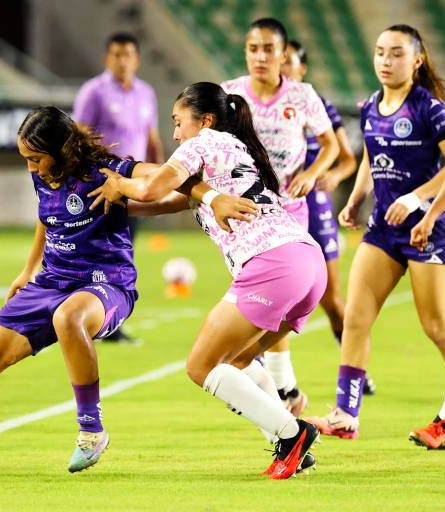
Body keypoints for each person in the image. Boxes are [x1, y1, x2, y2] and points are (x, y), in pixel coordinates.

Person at [0, 105, 255, 472]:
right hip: (50, 281)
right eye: (26, 158)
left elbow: (171, 177)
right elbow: (47, 216)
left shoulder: (107, 169)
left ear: (60, 150)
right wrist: (28, 269)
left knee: (69, 317)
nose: (30, 167)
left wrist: (210, 197)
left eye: (35, 159)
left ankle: (91, 431)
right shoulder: (45, 174)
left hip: (107, 282)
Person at [90, 82, 327, 479]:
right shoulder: (233, 152)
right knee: (235, 362)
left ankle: (292, 434)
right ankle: (287, 443)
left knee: (201, 366)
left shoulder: (205, 142)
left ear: (206, 120)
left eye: (179, 122)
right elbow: (163, 202)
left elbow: (149, 187)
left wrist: (120, 182)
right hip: (306, 262)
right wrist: (116, 203)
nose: (176, 133)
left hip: (272, 265)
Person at [304, 25, 445, 447]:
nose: (386, 62)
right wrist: (355, 198)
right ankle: (344, 416)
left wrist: (423, 205)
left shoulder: (430, 109)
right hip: (384, 230)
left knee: (437, 326)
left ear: (417, 60)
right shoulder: (370, 105)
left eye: (396, 54)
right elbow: (372, 155)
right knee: (355, 317)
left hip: (431, 229)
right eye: (380, 53)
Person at [221, 18, 339, 415]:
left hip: (288, 214)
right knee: (261, 307)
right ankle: (281, 390)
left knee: (278, 306)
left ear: (283, 54)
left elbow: (331, 145)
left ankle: (275, 388)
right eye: (253, 49)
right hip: (244, 215)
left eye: (269, 49)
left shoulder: (302, 96)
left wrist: (311, 172)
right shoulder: (229, 94)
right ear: (246, 52)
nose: (260, 56)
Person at [281, 40, 376, 396]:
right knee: (279, 296)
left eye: (289, 61)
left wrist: (334, 177)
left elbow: (347, 158)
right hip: (280, 210)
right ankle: (281, 381)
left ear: (302, 69)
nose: (283, 67)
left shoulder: (314, 104)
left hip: (316, 206)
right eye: (280, 61)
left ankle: (356, 369)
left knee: (331, 299)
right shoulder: (263, 106)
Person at [73, 32, 164, 343]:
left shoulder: (146, 93)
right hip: (101, 187)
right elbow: (80, 137)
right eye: (115, 54)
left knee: (122, 253)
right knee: (101, 254)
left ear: (137, 59)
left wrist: (159, 178)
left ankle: (101, 320)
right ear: (106, 59)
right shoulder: (93, 92)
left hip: (133, 187)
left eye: (127, 55)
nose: (121, 60)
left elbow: (150, 137)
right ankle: (94, 319)